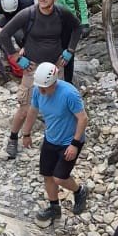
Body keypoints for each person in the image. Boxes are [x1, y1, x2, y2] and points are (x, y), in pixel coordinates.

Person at [0, 0, 79, 160]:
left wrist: (70, 51)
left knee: (60, 105)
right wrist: (17, 57)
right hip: (32, 67)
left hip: (56, 66)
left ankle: (57, 140)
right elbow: (3, 34)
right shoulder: (28, 14)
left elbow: (76, 27)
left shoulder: (61, 12)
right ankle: (13, 139)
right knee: (25, 108)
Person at [20, 60, 88, 224]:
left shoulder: (69, 93)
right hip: (51, 138)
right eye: (40, 87)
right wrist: (26, 133)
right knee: (47, 175)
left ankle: (80, 191)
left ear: (54, 82)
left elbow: (83, 118)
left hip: (69, 141)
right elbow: (33, 111)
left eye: (45, 87)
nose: (41, 91)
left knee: (60, 178)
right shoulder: (38, 90)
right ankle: (54, 208)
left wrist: (75, 144)